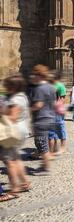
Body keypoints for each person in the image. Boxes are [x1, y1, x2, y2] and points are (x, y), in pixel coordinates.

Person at [0, 74, 31, 202]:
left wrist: (2, 111)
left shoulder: (15, 100)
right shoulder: (22, 97)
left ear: (13, 86)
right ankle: (24, 182)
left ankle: (14, 189)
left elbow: (12, 117)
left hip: (12, 131)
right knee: (15, 158)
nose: (5, 88)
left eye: (6, 86)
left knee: (9, 161)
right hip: (20, 129)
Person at [30, 65, 56, 173]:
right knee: (43, 142)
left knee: (42, 144)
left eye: (34, 74)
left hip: (41, 119)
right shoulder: (51, 87)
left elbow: (39, 104)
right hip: (50, 117)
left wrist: (28, 109)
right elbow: (54, 103)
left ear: (39, 75)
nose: (32, 76)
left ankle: (45, 168)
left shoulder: (39, 88)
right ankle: (45, 164)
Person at [48, 71, 67, 155]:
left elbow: (62, 99)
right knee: (52, 130)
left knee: (60, 128)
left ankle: (63, 147)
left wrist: (56, 106)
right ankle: (54, 147)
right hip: (50, 110)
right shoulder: (49, 85)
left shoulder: (60, 86)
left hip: (57, 110)